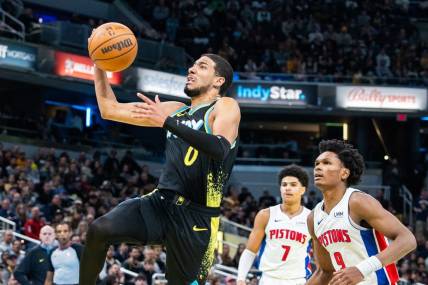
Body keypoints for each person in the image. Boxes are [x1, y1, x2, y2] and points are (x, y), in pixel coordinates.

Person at [80, 51, 240, 285]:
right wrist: (99, 63)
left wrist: (167, 123)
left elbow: (219, 148)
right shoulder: (175, 109)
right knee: (99, 229)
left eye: (202, 66)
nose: (192, 69)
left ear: (219, 80)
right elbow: (109, 108)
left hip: (198, 216)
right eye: (193, 65)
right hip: (160, 203)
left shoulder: (225, 106)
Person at [307, 139, 416, 285]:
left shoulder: (357, 201)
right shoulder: (313, 218)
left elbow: (408, 239)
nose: (318, 168)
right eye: (317, 164)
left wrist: (362, 269)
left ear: (344, 173)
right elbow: (325, 272)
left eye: (326, 163)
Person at [237, 165, 312, 285]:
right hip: (269, 279)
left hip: (299, 280)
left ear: (302, 190)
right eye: (284, 184)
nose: (287, 188)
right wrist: (241, 278)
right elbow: (250, 251)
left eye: (293, 185)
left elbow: (320, 257)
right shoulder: (265, 215)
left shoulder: (311, 218)